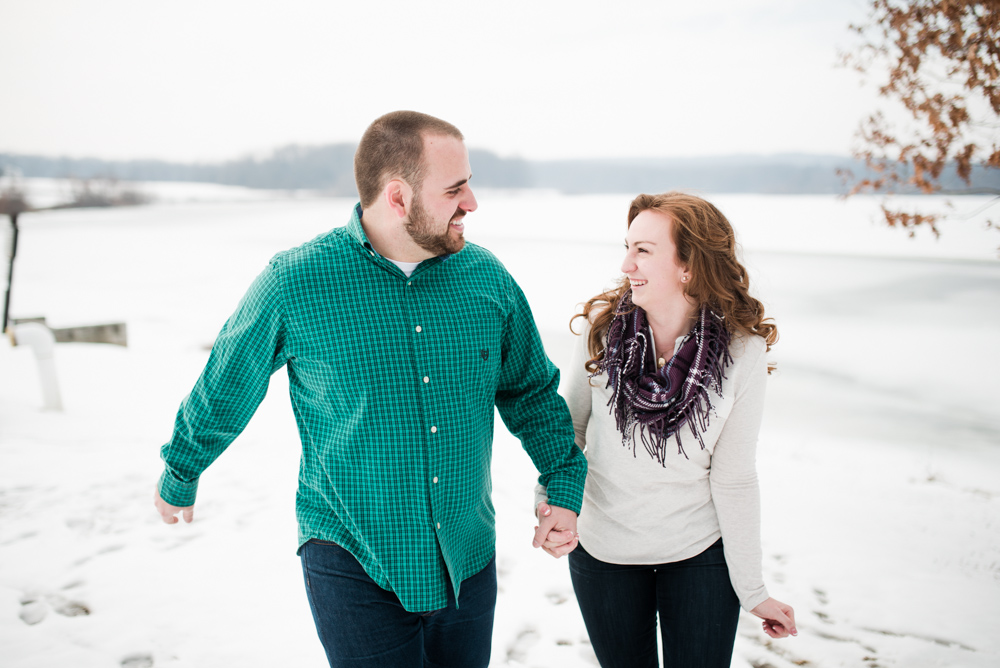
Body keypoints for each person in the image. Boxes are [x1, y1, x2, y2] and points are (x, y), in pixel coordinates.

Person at [153, 110, 587, 668]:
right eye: (455, 189)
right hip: (351, 557)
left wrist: (562, 480)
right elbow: (227, 382)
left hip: (467, 557)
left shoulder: (488, 279)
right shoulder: (296, 281)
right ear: (399, 198)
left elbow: (530, 392)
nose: (472, 203)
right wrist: (182, 468)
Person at [535, 192, 796, 668]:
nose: (625, 263)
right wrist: (553, 504)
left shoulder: (743, 352)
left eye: (643, 251)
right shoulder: (600, 329)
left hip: (698, 552)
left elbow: (734, 476)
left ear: (689, 266)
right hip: (604, 550)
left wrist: (752, 590)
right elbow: (567, 430)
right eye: (628, 246)